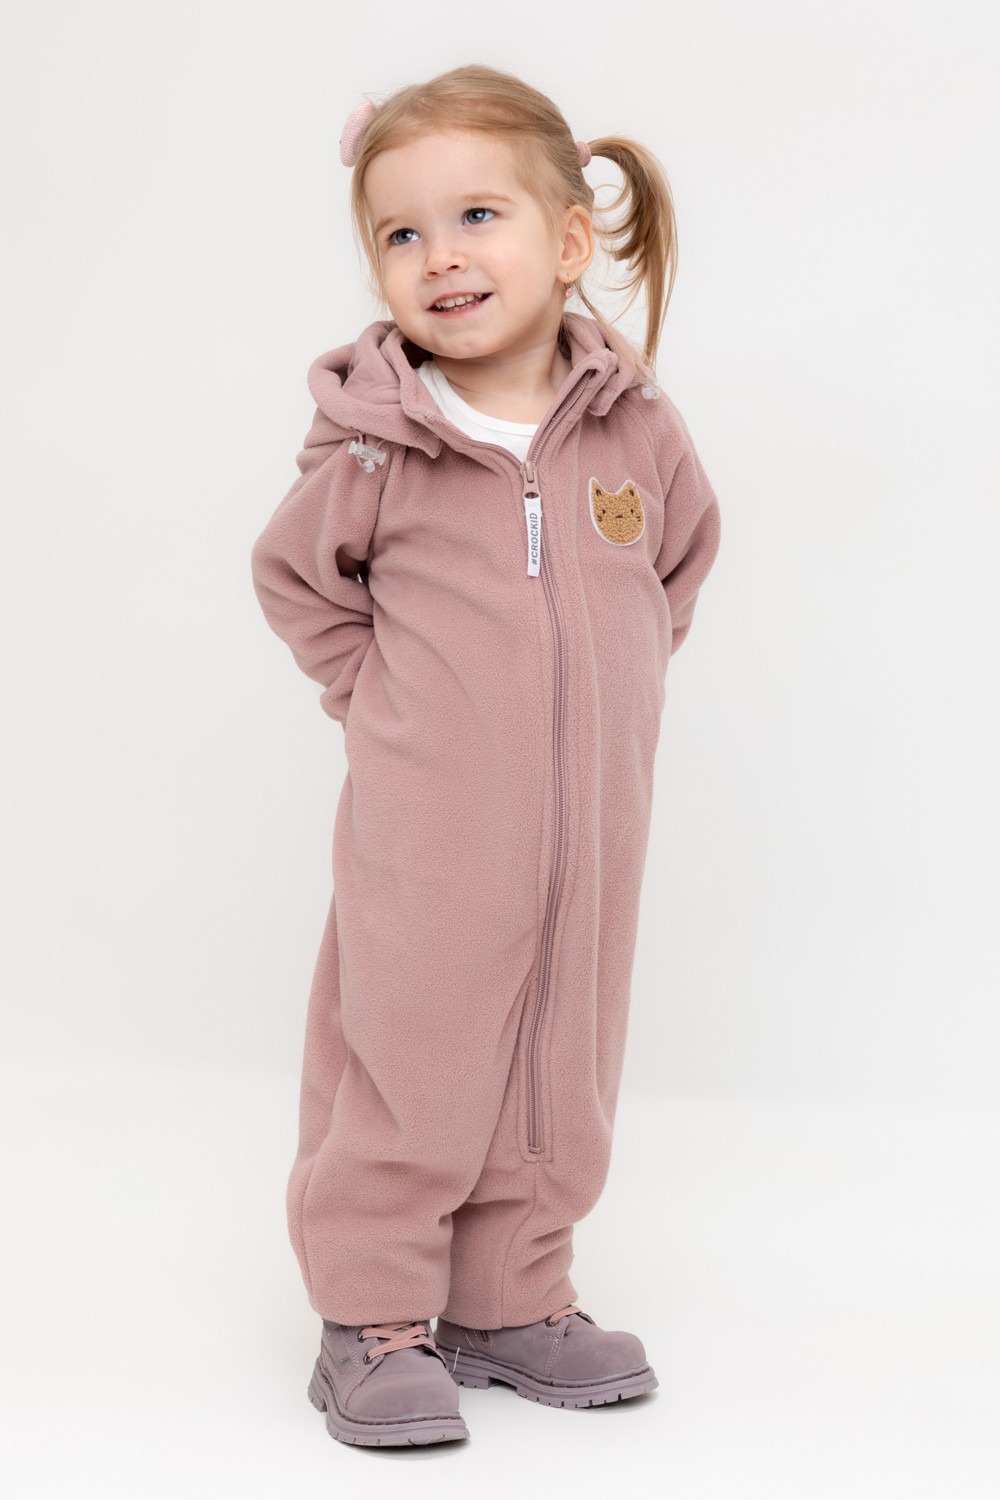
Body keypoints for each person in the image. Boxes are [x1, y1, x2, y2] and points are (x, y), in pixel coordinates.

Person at [250, 63, 722, 1448]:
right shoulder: (381, 447)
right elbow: (300, 583)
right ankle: (372, 1313)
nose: (440, 256)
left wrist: (610, 694)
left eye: (476, 217)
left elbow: (678, 565)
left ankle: (510, 1297)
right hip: (430, 829)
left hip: (595, 829)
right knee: (413, 1057)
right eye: (402, 233)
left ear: (569, 241)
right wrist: (387, 704)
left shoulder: (636, 426)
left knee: (561, 1062)